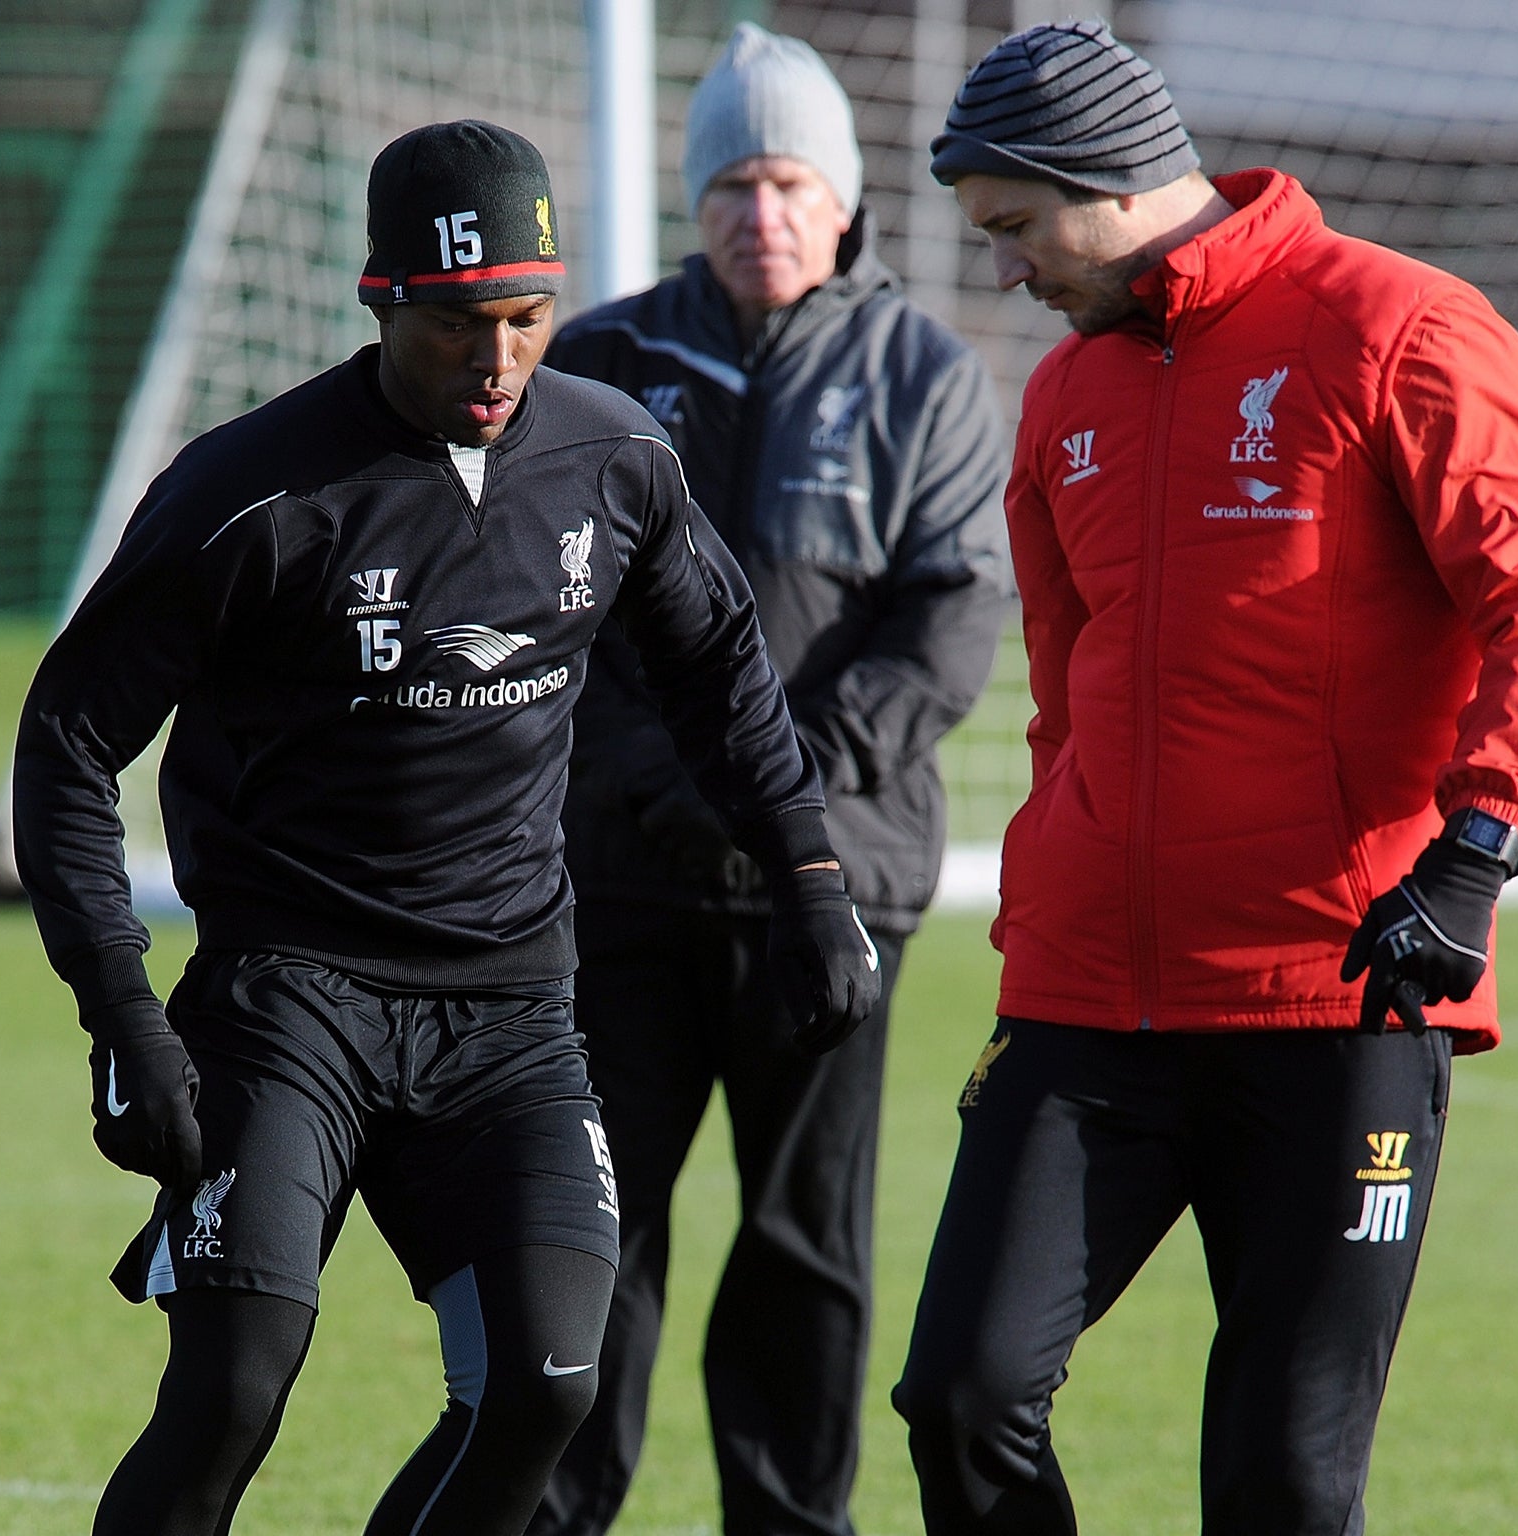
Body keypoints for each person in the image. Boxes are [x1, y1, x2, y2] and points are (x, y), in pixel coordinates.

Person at [11, 119, 880, 1536]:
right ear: (384, 303)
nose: (497, 361)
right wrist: (125, 1019)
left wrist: (813, 880)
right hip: (288, 999)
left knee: (545, 1387)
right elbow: (66, 747)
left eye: (528, 320)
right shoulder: (252, 495)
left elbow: (724, 674)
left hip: (511, 1009)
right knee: (233, 1389)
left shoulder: (616, 459)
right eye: (460, 326)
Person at [889, 20, 1518, 1536]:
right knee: (960, 1395)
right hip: (1089, 1002)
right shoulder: (1061, 400)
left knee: (1284, 1480)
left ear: (1106, 181)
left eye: (1017, 230)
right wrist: (1041, 907)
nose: (1008, 272)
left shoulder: (1398, 327)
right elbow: (1066, 698)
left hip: (1338, 993)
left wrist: (1475, 857)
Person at [528, 24, 1010, 1536]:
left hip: (834, 896)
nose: (762, 213)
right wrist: (659, 778)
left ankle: (792, 1524)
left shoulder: (923, 373)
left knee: (808, 1242)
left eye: (790, 180)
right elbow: (547, 615)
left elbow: (946, 620)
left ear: (845, 198)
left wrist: (774, 789)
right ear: (694, 200)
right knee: (594, 1233)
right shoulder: (601, 361)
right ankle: (553, 1513)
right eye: (732, 182)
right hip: (622, 879)